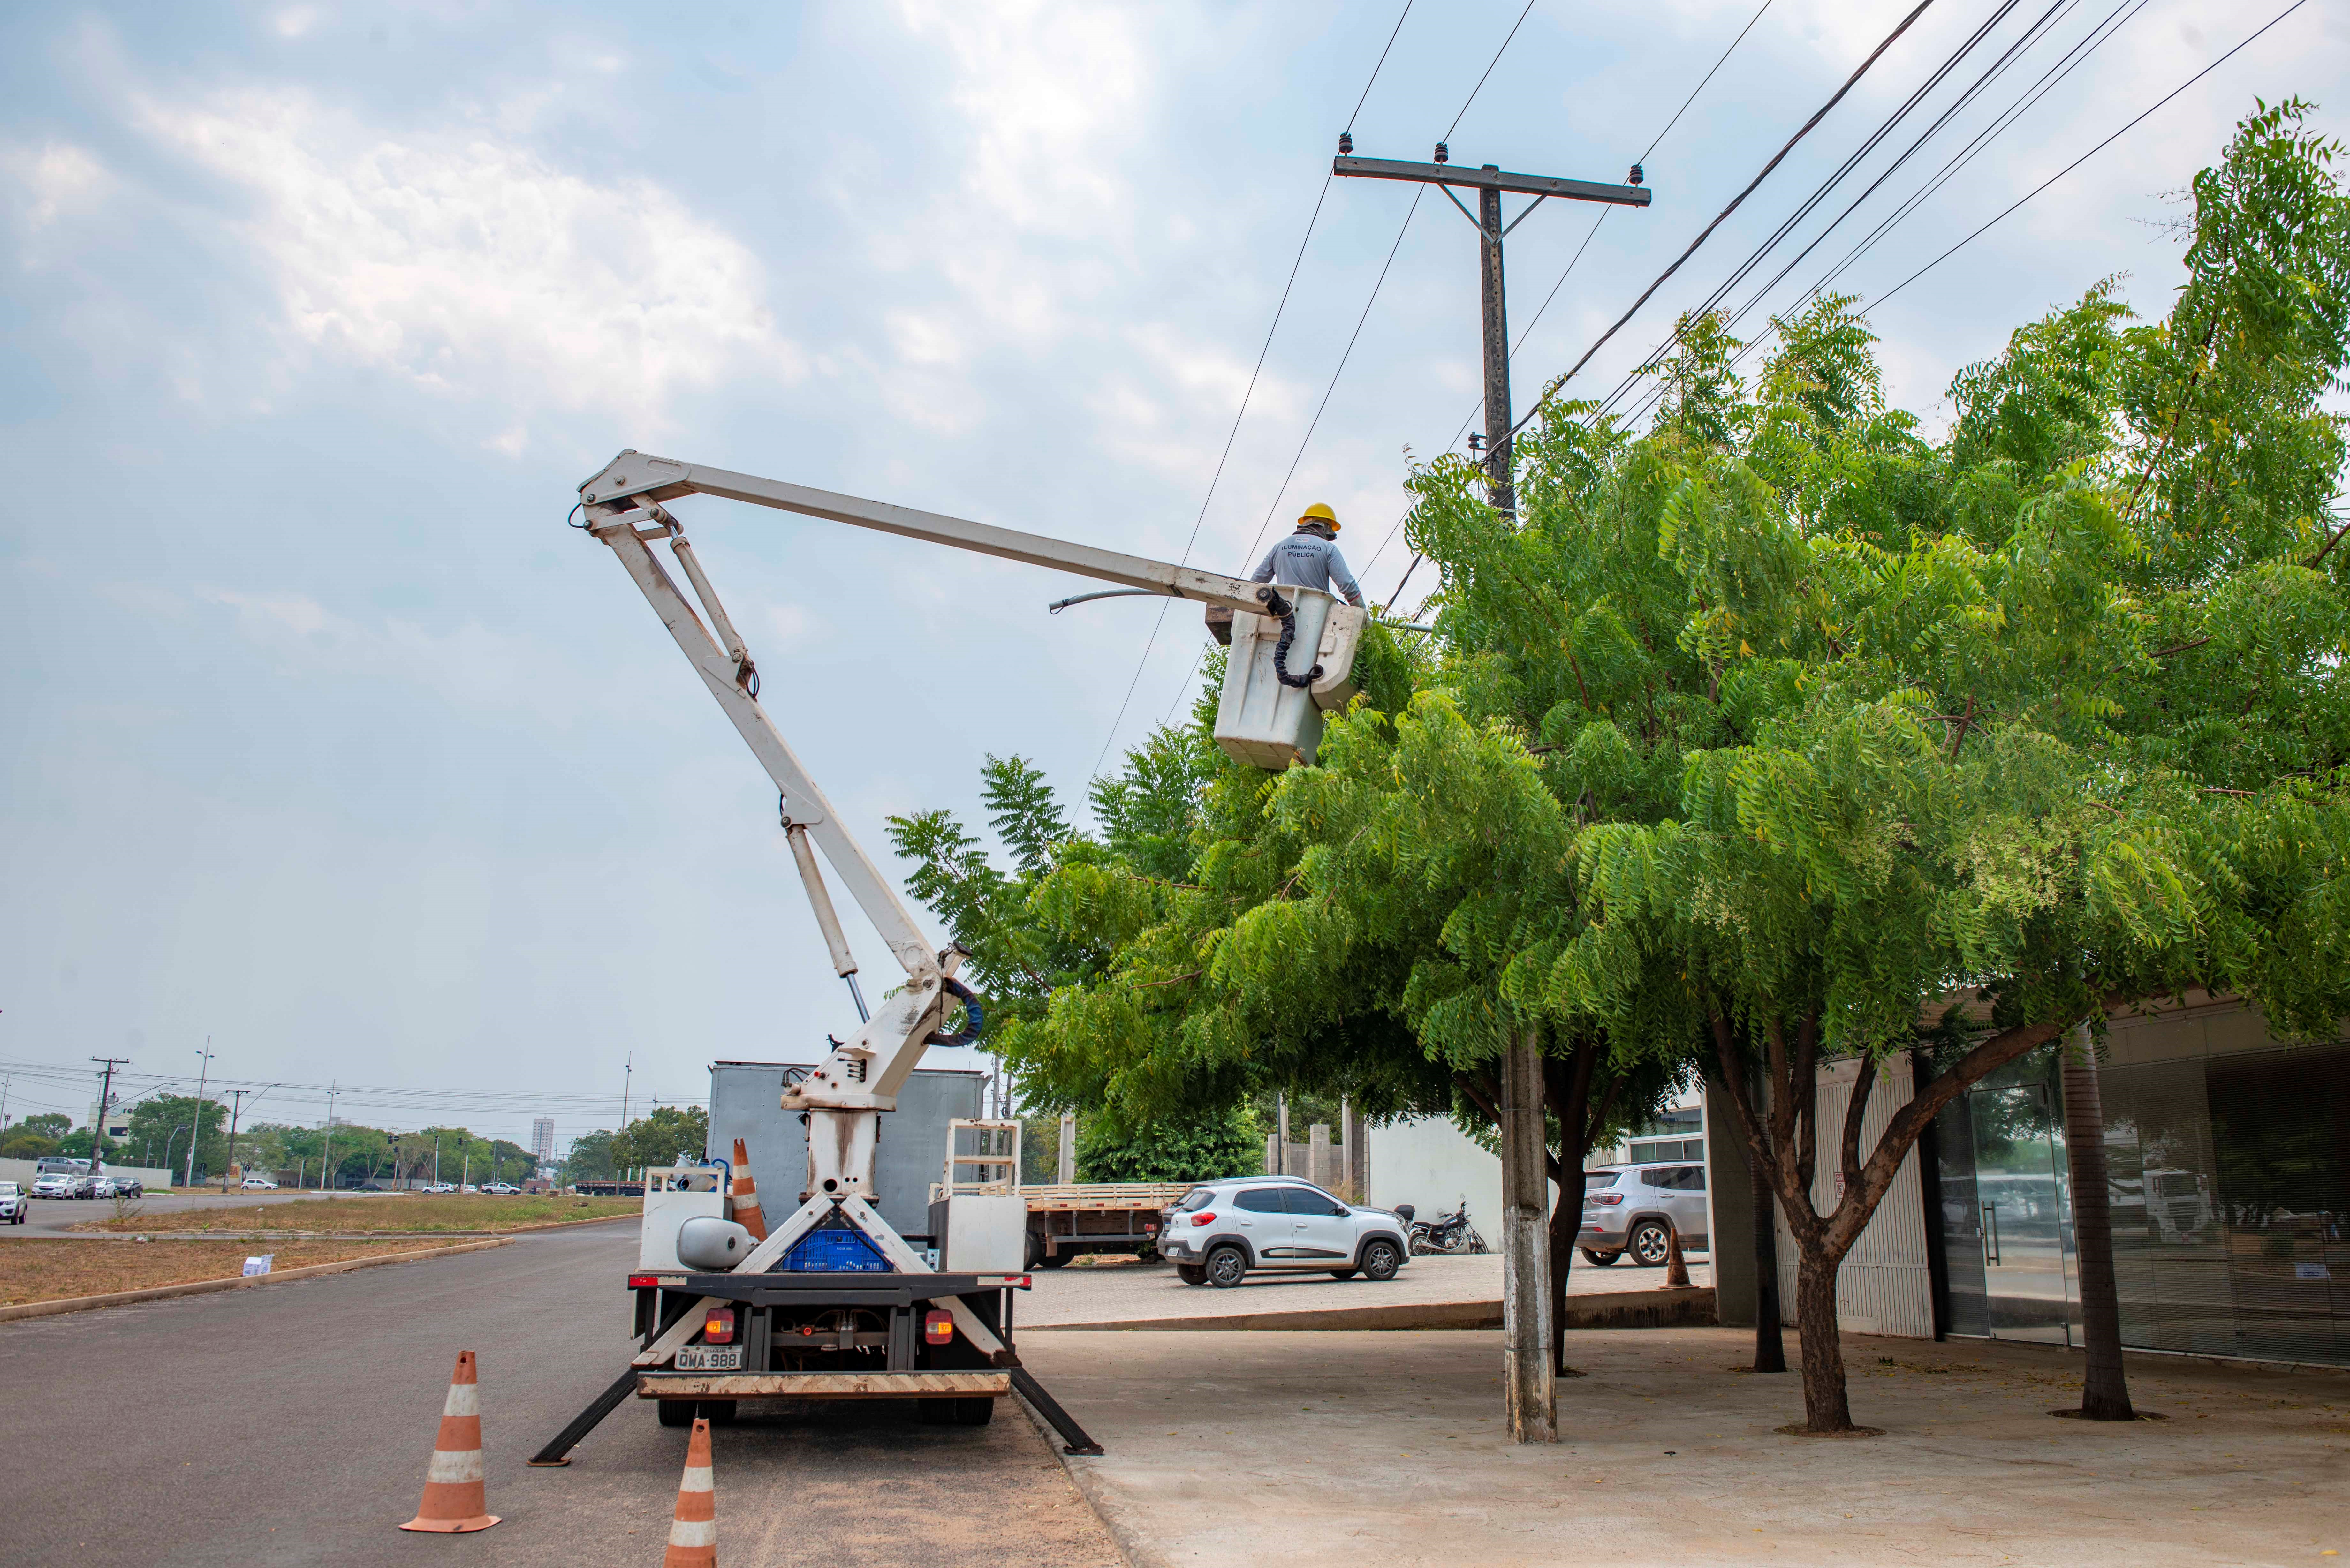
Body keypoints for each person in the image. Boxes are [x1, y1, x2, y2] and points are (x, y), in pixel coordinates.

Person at [1249, 503, 1364, 607]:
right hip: (1316, 616)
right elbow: (1347, 584)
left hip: (1282, 613)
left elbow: (1256, 581)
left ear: (1305, 523)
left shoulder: (1279, 547)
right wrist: (1362, 613)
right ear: (1327, 528)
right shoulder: (1328, 548)